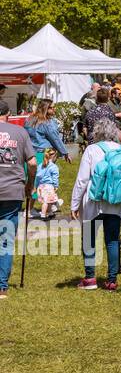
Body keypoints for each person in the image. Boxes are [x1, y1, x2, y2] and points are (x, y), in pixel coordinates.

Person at [70, 118, 121, 292]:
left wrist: (74, 204)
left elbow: (82, 180)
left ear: (97, 132)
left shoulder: (92, 149)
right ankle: (112, 281)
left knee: (89, 239)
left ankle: (90, 278)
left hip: (94, 202)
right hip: (115, 201)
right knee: (112, 241)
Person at [0, 102, 37, 299]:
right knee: (5, 240)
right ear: (8, 114)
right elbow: (32, 162)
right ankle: (2, 287)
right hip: (12, 190)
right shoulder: (20, 132)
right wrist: (30, 184)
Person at [25, 98, 70, 165]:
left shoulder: (29, 120)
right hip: (45, 155)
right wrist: (65, 152)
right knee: (46, 174)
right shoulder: (47, 123)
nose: (54, 109)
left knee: (32, 174)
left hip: (30, 154)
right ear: (45, 108)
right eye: (52, 108)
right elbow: (55, 138)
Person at [35, 149, 61, 219]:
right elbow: (55, 177)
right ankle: (43, 215)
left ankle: (50, 212)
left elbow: (37, 177)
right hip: (48, 187)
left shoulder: (40, 165)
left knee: (49, 201)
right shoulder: (53, 166)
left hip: (40, 186)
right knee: (46, 202)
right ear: (54, 157)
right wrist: (56, 185)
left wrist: (36, 186)